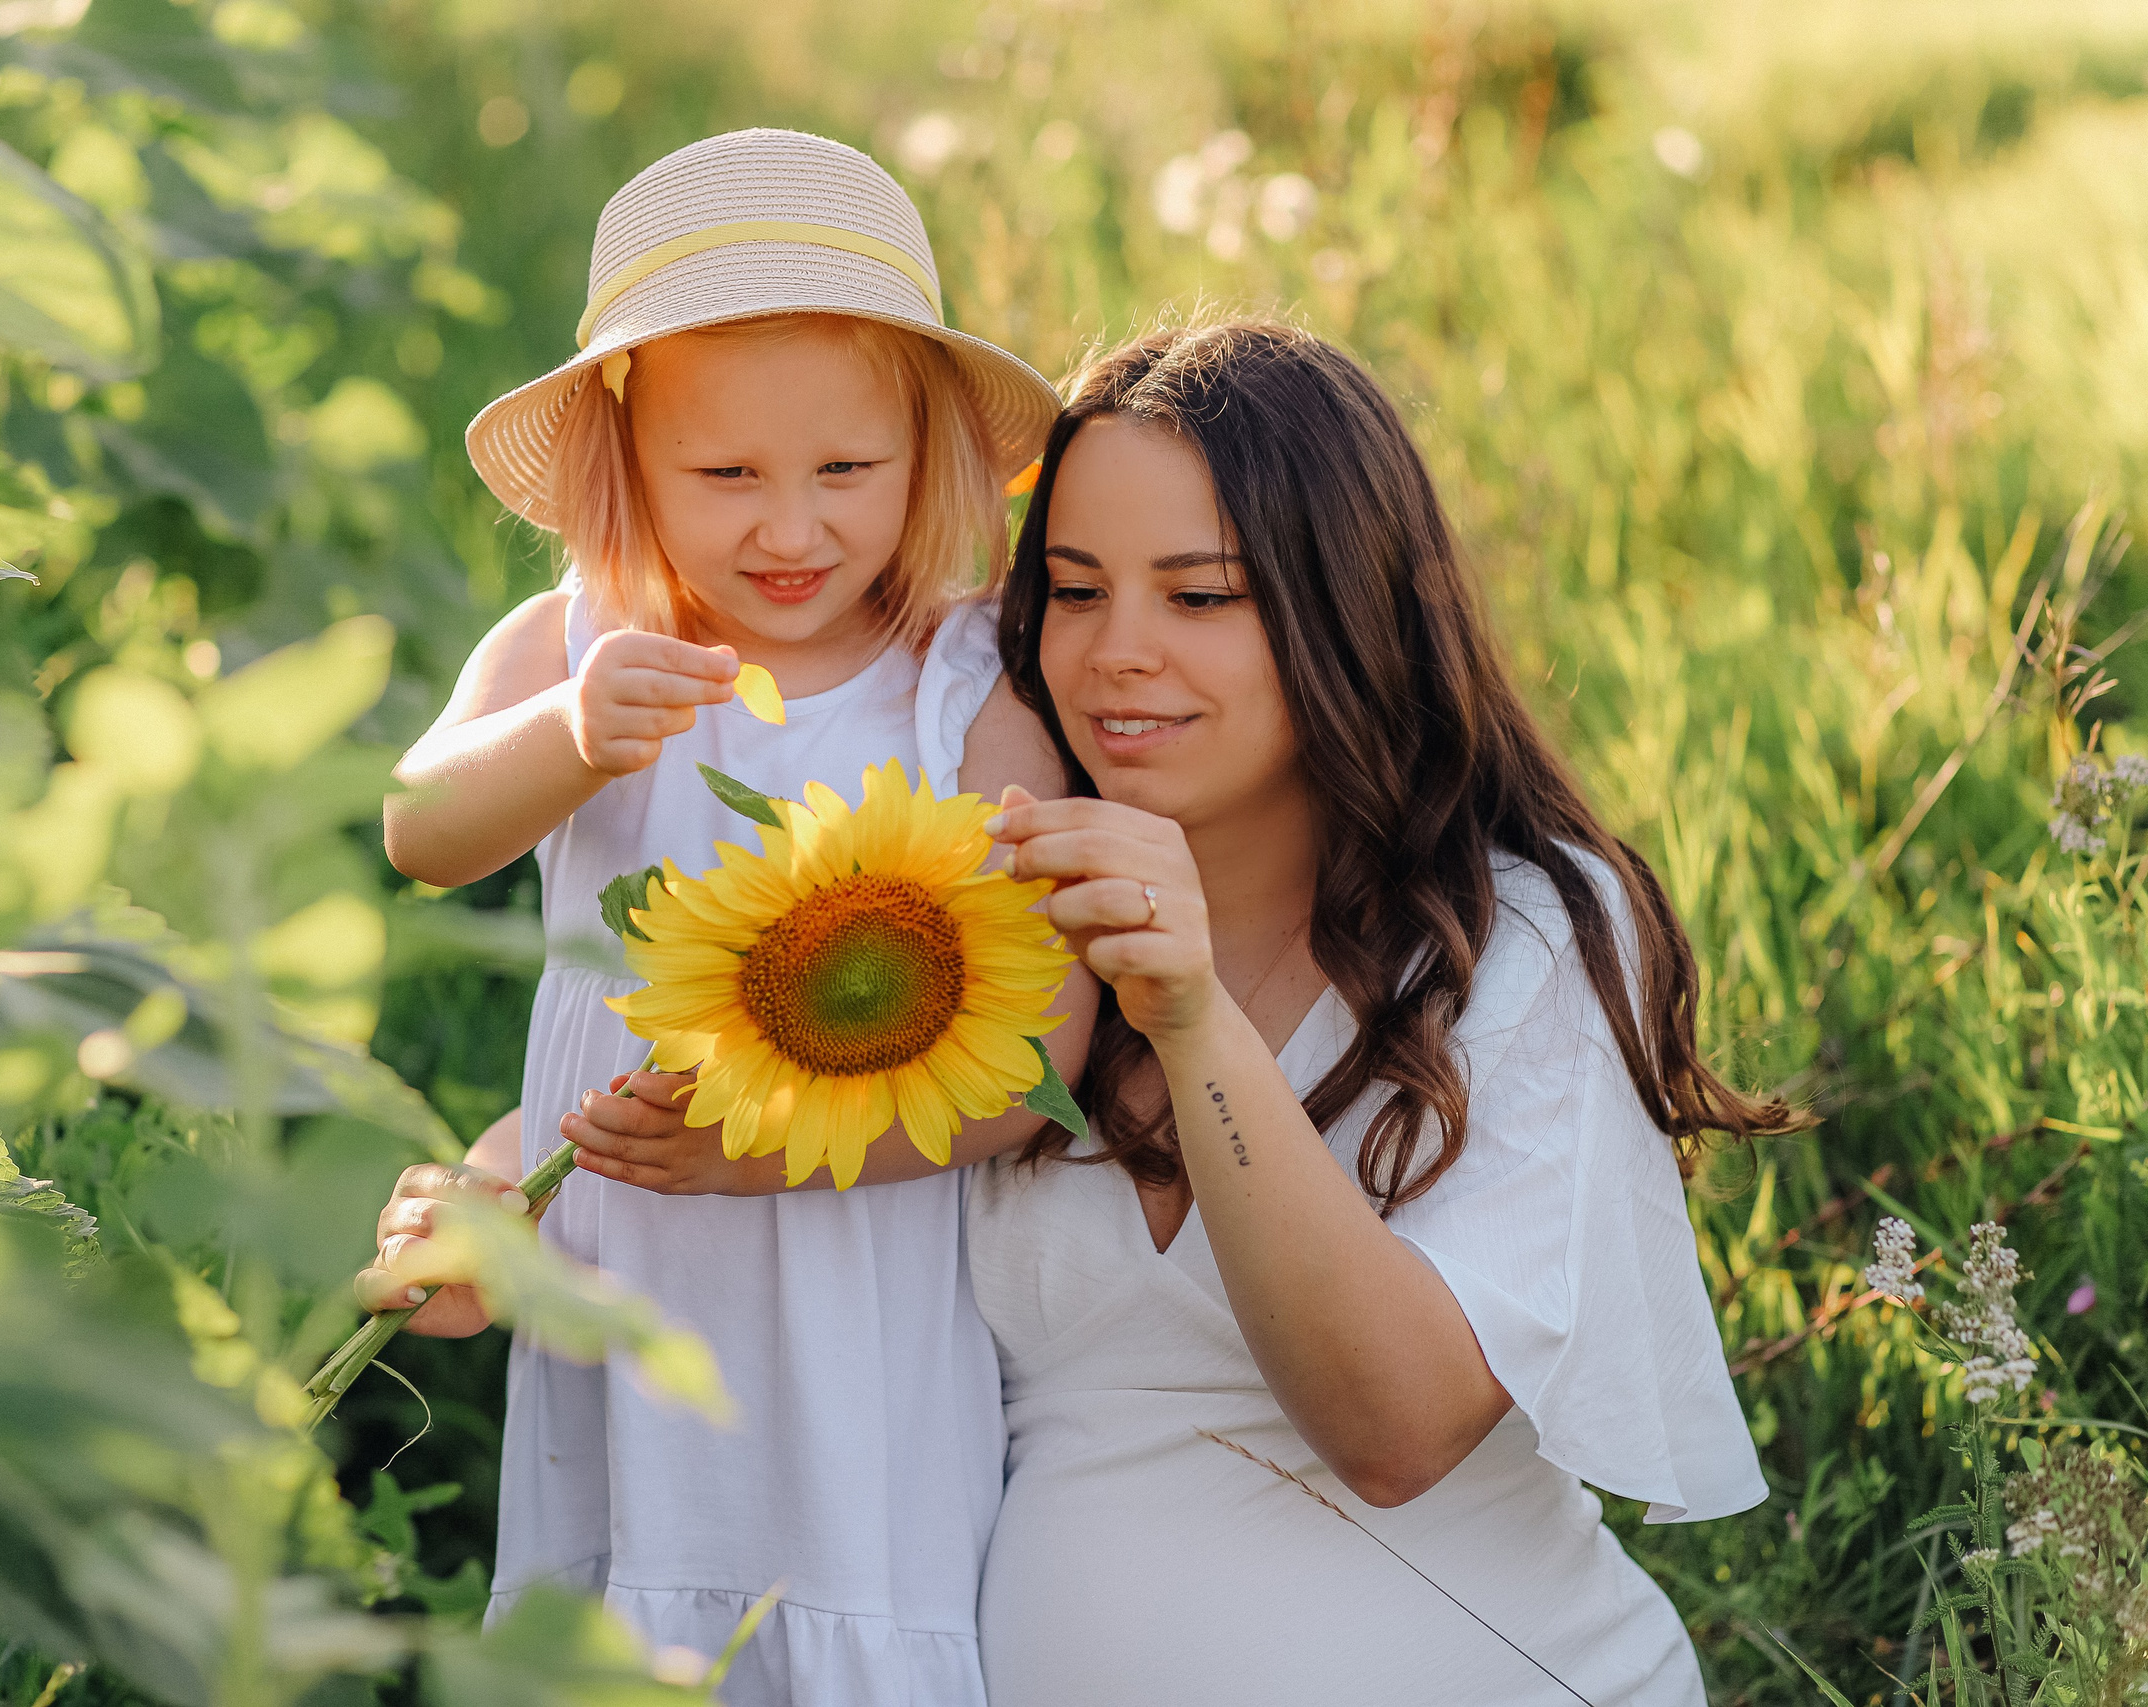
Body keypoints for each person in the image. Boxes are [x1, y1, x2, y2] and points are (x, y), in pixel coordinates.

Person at [359, 129, 1090, 1707]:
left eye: (845, 472)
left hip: (850, 1278)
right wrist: (567, 734)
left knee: (830, 1613)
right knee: (625, 1612)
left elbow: (1039, 1062)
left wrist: (770, 1151)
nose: (789, 530)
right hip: (627, 1270)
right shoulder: (580, 642)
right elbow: (420, 827)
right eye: (724, 476)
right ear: (628, 465)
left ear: (927, 456)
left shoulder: (961, 690)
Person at [972, 323, 1797, 1705]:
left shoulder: (1516, 936)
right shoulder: (992, 936)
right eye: (1072, 589)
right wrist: (528, 1160)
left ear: (1346, 607)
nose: (1116, 653)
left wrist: (1189, 1018)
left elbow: (1395, 1429)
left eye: (1201, 597)